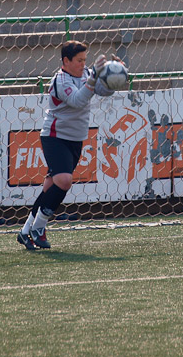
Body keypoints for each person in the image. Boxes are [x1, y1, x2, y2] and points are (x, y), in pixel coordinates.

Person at [17, 40, 117, 250]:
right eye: (79, 60)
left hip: (75, 139)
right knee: (64, 180)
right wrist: (93, 79)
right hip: (55, 136)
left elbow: (102, 91)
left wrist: (114, 75)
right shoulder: (61, 80)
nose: (83, 64)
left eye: (85, 60)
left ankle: (26, 231)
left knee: (50, 186)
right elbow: (79, 100)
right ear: (66, 61)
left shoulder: (86, 73)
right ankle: (39, 227)